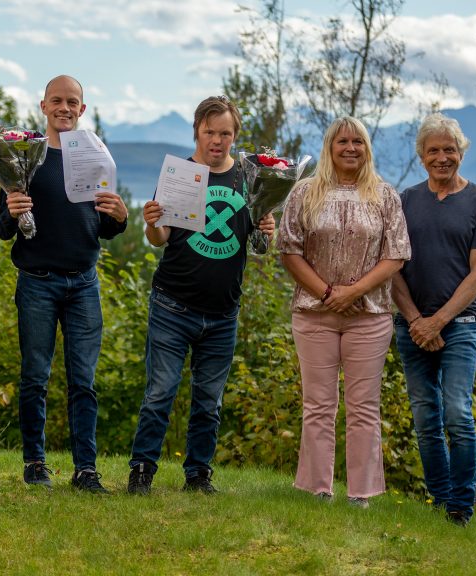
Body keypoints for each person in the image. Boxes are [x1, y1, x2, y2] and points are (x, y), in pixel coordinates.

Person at [126, 96, 275, 495]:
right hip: (172, 305)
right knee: (160, 393)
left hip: (223, 313)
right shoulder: (180, 174)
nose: (217, 140)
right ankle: (141, 470)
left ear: (235, 136)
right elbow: (159, 239)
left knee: (209, 402)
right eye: (210, 132)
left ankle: (198, 474)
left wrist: (267, 231)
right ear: (197, 131)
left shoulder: (250, 179)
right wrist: (152, 223)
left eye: (225, 133)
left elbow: (259, 246)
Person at [0, 75, 128, 492]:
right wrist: (11, 211)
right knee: (35, 377)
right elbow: (2, 229)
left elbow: (104, 227)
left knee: (83, 382)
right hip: (37, 283)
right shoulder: (23, 155)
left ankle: (86, 469)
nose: (64, 108)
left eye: (72, 102)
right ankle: (35, 464)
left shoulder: (94, 154)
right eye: (57, 101)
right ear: (43, 106)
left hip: (84, 284)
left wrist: (121, 217)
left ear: (82, 109)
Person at [277, 116, 410, 508]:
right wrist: (327, 293)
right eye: (342, 141)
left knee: (364, 406)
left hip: (370, 315)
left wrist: (353, 292)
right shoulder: (304, 193)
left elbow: (396, 255)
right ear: (329, 148)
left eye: (358, 141)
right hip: (313, 312)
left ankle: (360, 493)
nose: (351, 148)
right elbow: (289, 250)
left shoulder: (385, 196)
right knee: (318, 405)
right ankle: (316, 488)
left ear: (367, 148)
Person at [391, 113, 476, 527]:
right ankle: (440, 501)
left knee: (457, 413)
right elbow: (392, 267)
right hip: (411, 325)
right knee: (425, 418)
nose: (442, 157)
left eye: (449, 149)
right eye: (433, 150)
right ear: (421, 156)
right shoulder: (405, 201)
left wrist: (437, 322)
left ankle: (460, 508)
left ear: (461, 153)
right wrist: (417, 320)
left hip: (461, 324)